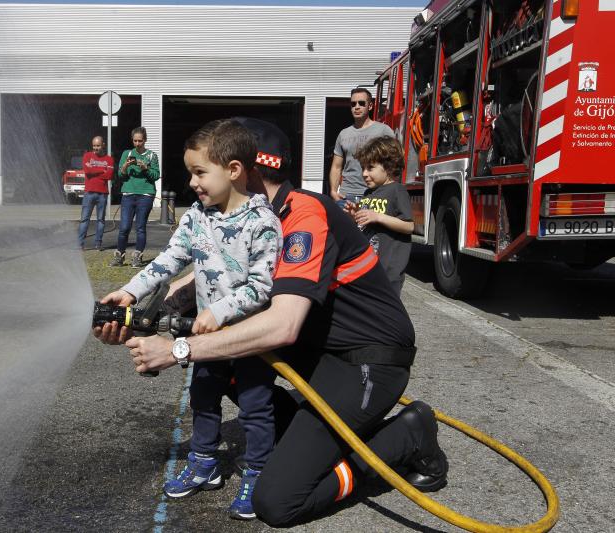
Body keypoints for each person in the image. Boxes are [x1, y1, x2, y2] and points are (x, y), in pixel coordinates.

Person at [95, 118, 448, 528]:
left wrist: (177, 350)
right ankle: (309, 434)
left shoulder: (302, 216)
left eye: (205, 170)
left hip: (366, 360)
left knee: (279, 500)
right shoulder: (237, 213)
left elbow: (281, 326)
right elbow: (206, 274)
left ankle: (408, 435)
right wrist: (139, 312)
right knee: (226, 366)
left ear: (242, 170)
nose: (196, 183)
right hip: (318, 351)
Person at [99, 119, 282, 520]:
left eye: (200, 172)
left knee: (255, 406)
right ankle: (204, 463)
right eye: (191, 173)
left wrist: (218, 311)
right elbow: (169, 260)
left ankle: (258, 471)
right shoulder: (197, 217)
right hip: (206, 337)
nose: (192, 182)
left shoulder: (262, 223)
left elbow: (262, 287)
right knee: (203, 397)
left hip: (247, 337)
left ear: (233, 170)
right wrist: (130, 291)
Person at [349, 136, 414, 295]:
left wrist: (378, 217)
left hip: (388, 271)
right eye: (363, 168)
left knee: (386, 307)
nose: (364, 173)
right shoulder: (368, 193)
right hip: (369, 266)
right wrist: (354, 215)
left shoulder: (397, 190)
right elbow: (364, 225)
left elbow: (409, 226)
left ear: (389, 167)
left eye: (370, 168)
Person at [329, 87, 394, 209]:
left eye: (361, 103)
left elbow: (394, 163)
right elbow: (336, 167)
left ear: (370, 106)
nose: (357, 107)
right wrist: (333, 191)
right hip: (346, 196)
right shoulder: (343, 134)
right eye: (353, 104)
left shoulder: (384, 131)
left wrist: (389, 191)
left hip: (375, 195)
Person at [110, 126, 160, 268]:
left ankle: (137, 256)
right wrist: (125, 167)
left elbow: (156, 175)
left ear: (145, 140)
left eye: (140, 141)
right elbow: (120, 176)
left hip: (145, 194)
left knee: (140, 227)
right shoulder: (127, 153)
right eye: (135, 141)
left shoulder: (152, 155)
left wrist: (145, 168)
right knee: (124, 227)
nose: (137, 143)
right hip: (128, 194)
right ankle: (119, 256)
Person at [78, 136, 114, 250]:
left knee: (101, 220)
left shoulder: (109, 159)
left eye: (98, 146)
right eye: (94, 146)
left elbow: (109, 175)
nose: (95, 148)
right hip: (89, 192)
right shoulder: (87, 156)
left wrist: (94, 171)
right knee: (84, 219)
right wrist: (102, 170)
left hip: (102, 194)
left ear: (103, 145)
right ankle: (80, 244)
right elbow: (87, 171)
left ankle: (98, 243)